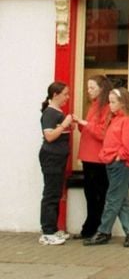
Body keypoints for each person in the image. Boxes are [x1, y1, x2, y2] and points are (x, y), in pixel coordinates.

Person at [84, 87, 129, 248]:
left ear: (122, 103)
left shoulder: (126, 120)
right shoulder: (116, 119)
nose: (110, 105)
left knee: (113, 199)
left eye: (113, 102)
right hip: (113, 162)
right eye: (109, 102)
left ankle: (103, 232)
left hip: (119, 164)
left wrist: (119, 156)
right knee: (121, 200)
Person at [72, 75, 113, 239]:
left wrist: (84, 124)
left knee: (97, 195)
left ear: (101, 89)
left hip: (97, 158)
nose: (88, 91)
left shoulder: (107, 108)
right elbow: (90, 130)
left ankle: (95, 229)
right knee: (90, 195)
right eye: (88, 88)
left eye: (92, 88)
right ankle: (89, 228)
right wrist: (82, 125)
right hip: (88, 156)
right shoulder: (94, 106)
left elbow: (103, 133)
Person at [38, 81, 74, 245]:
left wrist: (69, 125)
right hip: (51, 157)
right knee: (51, 193)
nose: (67, 97)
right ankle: (47, 232)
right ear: (55, 95)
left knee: (56, 192)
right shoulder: (50, 113)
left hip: (58, 157)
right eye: (65, 94)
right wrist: (65, 125)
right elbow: (49, 137)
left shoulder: (57, 112)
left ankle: (53, 229)